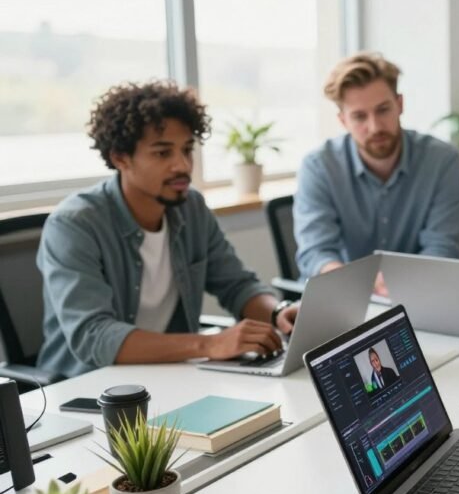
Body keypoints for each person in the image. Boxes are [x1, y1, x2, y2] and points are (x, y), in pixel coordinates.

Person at [37, 81, 299, 378]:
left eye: (187, 150)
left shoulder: (191, 207)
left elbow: (236, 284)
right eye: (163, 153)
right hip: (88, 389)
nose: (183, 165)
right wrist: (209, 344)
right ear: (120, 158)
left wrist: (277, 313)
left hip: (169, 376)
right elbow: (94, 336)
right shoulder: (75, 225)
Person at [293, 52, 459, 295]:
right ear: (343, 120)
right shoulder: (319, 166)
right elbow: (316, 252)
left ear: (400, 104)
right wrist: (356, 284)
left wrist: (400, 284)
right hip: (343, 296)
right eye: (359, 116)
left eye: (383, 110)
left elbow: (442, 247)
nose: (374, 126)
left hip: (416, 294)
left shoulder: (442, 161)